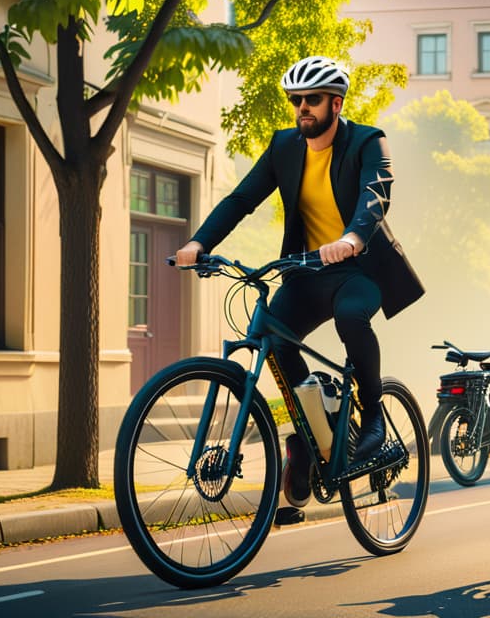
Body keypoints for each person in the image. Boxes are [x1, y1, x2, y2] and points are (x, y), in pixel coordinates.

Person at [174, 56, 423, 507]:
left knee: (351, 317)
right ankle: (310, 437)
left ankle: (372, 419)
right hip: (306, 270)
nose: (302, 107)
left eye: (311, 99)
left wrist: (351, 237)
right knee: (274, 336)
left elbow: (375, 192)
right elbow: (241, 199)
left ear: (335, 103)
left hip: (358, 268)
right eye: (296, 100)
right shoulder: (284, 147)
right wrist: (198, 242)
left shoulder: (368, 141)